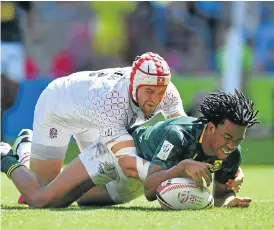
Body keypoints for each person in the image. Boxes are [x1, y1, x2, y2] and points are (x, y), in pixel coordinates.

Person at [1, 89, 258, 208]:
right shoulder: (177, 135)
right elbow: (150, 190)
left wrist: (229, 200)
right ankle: (6, 156)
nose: (231, 145)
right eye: (227, 137)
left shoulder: (232, 153)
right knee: (41, 199)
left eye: (238, 140)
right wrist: (182, 167)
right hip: (117, 156)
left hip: (132, 181)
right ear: (211, 128)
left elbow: (222, 194)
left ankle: (26, 149)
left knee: (78, 200)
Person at [13, 52, 186, 204]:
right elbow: (128, 164)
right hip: (58, 109)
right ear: (134, 86)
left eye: (160, 92)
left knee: (91, 188)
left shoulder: (167, 91)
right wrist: (169, 175)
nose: (156, 99)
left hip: (94, 117)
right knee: (43, 191)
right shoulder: (113, 101)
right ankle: (25, 148)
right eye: (149, 91)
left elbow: (184, 132)